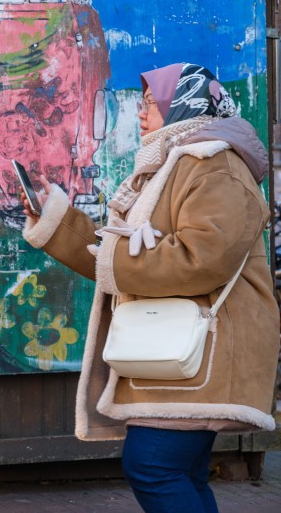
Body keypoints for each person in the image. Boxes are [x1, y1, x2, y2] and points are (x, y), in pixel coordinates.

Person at [20, 63, 279, 512]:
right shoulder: (172, 164)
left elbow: (203, 259)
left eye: (150, 102)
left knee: (154, 467)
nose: (141, 112)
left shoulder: (215, 165)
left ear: (183, 103)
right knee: (179, 472)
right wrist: (55, 219)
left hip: (205, 352)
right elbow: (119, 259)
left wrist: (128, 254)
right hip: (182, 355)